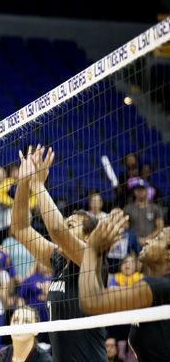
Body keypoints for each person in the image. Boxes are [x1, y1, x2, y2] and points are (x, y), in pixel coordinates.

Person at [11, 145, 106, 362]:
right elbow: (21, 229)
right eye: (67, 222)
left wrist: (37, 184)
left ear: (87, 237)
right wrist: (24, 182)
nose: (66, 225)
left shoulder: (92, 258)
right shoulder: (58, 259)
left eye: (72, 225)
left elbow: (56, 231)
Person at [79, 211, 170, 362]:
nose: (147, 241)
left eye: (157, 238)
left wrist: (91, 248)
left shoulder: (158, 286)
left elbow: (91, 301)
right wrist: (100, 252)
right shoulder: (153, 287)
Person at [123, 179, 166, 246]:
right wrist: (136, 239)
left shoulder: (155, 208)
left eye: (142, 189)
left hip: (152, 244)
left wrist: (147, 239)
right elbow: (125, 228)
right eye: (137, 189)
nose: (140, 191)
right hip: (133, 244)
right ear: (134, 191)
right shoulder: (128, 208)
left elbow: (160, 228)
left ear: (147, 190)